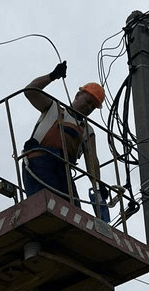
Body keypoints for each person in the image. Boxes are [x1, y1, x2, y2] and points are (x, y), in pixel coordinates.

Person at [21, 61, 105, 214]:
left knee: (74, 213)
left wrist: (98, 187)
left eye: (93, 106)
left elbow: (92, 160)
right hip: (40, 163)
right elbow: (30, 91)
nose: (89, 107)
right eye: (88, 101)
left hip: (63, 171)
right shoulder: (53, 108)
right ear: (78, 95)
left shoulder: (87, 129)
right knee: (46, 208)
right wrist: (52, 76)